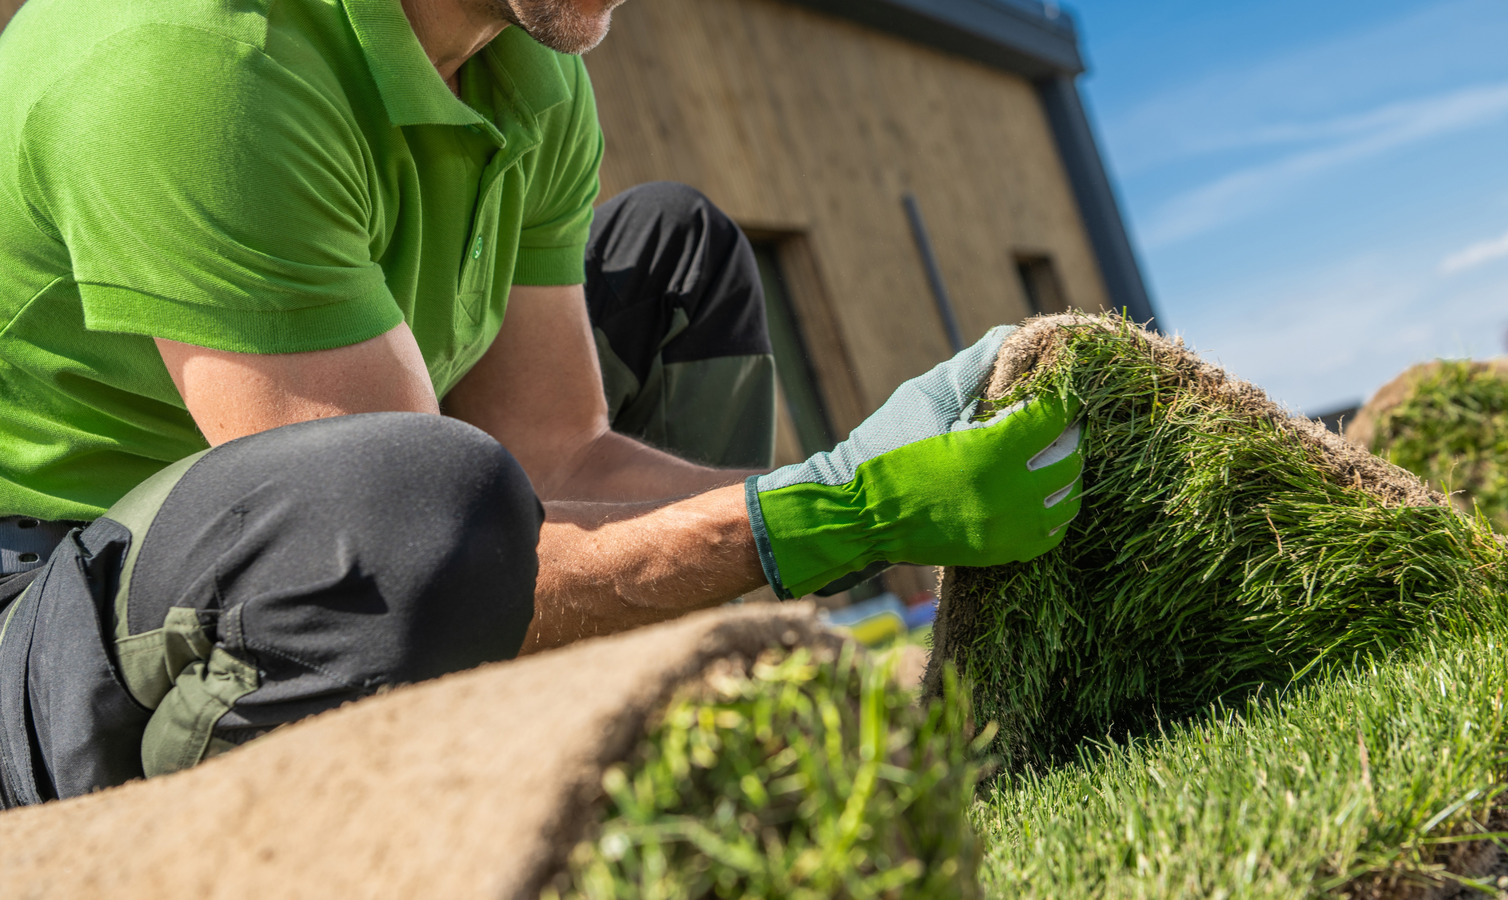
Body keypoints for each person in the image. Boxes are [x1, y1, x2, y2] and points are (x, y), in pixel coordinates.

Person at [0, 0, 1085, 807]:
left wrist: (833, 480)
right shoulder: (195, 63)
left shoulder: (527, 64)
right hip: (51, 599)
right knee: (417, 500)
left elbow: (557, 453)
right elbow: (384, 551)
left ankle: (667, 703)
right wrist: (816, 524)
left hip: (348, 513)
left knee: (671, 248)